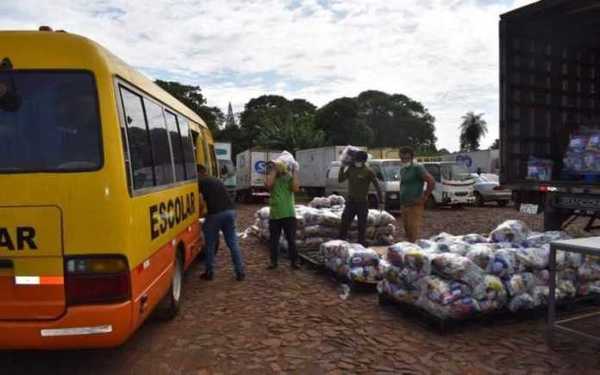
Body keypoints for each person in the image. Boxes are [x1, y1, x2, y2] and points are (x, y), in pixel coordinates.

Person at [197, 165, 245, 281]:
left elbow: (200, 201)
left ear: (198, 172)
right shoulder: (216, 179)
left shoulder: (200, 182)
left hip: (215, 215)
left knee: (210, 244)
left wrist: (200, 214)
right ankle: (240, 272)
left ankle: (209, 272)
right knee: (233, 244)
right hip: (230, 212)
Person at [338, 151, 383, 246]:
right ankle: (341, 242)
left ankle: (361, 243)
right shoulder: (350, 169)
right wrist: (342, 167)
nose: (356, 161)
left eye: (358, 160)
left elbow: (377, 186)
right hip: (350, 202)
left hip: (362, 203)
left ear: (363, 161)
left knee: (362, 225)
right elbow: (340, 180)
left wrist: (381, 201)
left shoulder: (368, 171)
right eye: (355, 159)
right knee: (345, 222)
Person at [265, 160, 300, 270]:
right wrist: (274, 171)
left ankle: (294, 262)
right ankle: (273, 262)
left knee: (291, 240)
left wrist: (294, 172)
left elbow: (295, 188)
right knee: (274, 240)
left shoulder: (288, 178)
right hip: (275, 215)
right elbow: (268, 185)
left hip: (289, 214)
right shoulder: (272, 179)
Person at [399, 147, 435, 243]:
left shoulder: (417, 168)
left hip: (414, 205)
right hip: (404, 204)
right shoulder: (403, 169)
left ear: (412, 157)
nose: (404, 160)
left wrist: (424, 197)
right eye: (402, 158)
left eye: (406, 158)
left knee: (413, 231)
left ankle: (414, 252)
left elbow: (431, 181)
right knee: (407, 230)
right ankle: (409, 250)